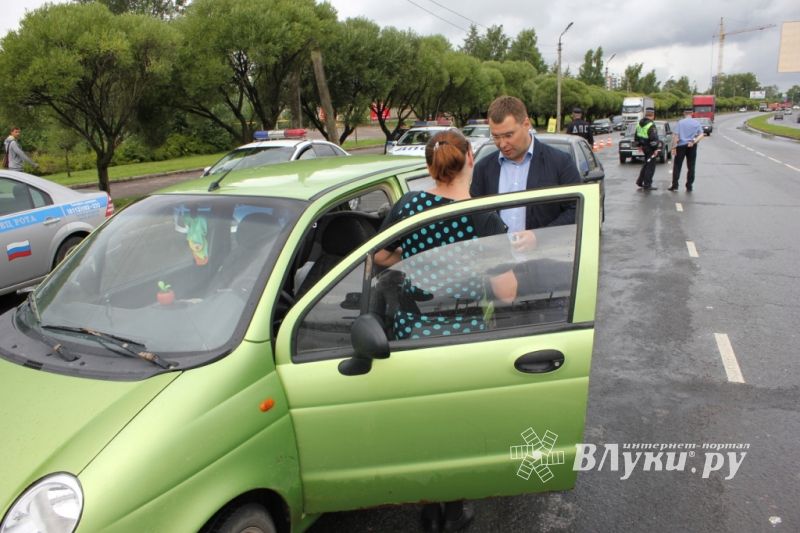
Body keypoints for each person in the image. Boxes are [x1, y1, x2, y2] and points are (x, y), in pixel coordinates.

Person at [374, 129, 516, 532]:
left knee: (422, 418)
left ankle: (428, 503)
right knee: (458, 421)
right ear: (470, 157)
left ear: (429, 166)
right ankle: (454, 508)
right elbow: (507, 293)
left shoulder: (411, 205)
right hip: (463, 336)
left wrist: (417, 252)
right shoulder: (484, 216)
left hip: (412, 332)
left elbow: (381, 256)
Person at [470, 95, 581, 252]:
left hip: (545, 264)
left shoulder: (560, 162)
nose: (502, 144)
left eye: (508, 135)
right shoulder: (483, 168)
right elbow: (475, 216)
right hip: (499, 267)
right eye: (496, 137)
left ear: (526, 124)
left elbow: (576, 210)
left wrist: (539, 237)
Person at [669, 108, 704, 192]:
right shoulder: (696, 123)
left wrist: (673, 147)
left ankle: (675, 185)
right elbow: (702, 134)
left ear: (684, 113)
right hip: (692, 146)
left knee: (677, 166)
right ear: (692, 113)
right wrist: (694, 141)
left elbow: (676, 136)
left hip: (681, 146)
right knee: (691, 166)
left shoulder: (680, 123)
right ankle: (689, 186)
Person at [634, 107, 661, 191]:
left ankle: (640, 181)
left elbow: (636, 135)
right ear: (653, 115)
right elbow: (653, 139)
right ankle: (647, 184)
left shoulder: (639, 123)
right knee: (650, 166)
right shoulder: (651, 125)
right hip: (650, 148)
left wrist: (639, 145)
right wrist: (655, 149)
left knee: (646, 164)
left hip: (643, 147)